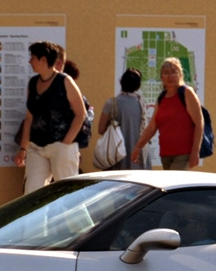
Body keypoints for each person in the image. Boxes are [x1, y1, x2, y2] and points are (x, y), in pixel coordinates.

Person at [15, 41, 86, 188]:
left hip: (61, 145)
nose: (30, 62)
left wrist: (65, 144)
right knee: (32, 194)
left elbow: (81, 114)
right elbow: (29, 118)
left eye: (33, 57)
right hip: (36, 147)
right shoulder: (33, 83)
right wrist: (23, 148)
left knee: (67, 194)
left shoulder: (65, 81)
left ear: (43, 60)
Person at [131, 56, 202, 173]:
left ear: (180, 74)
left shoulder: (187, 93)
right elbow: (152, 127)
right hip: (166, 154)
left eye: (174, 72)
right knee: (173, 187)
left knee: (175, 182)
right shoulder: (162, 97)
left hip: (184, 153)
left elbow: (199, 123)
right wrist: (138, 146)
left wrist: (195, 151)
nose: (170, 76)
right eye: (166, 73)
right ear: (161, 77)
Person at [99, 68, 149, 170]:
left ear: (121, 82)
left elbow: (101, 129)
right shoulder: (141, 104)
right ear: (138, 86)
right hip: (138, 157)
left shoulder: (111, 104)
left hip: (115, 157)